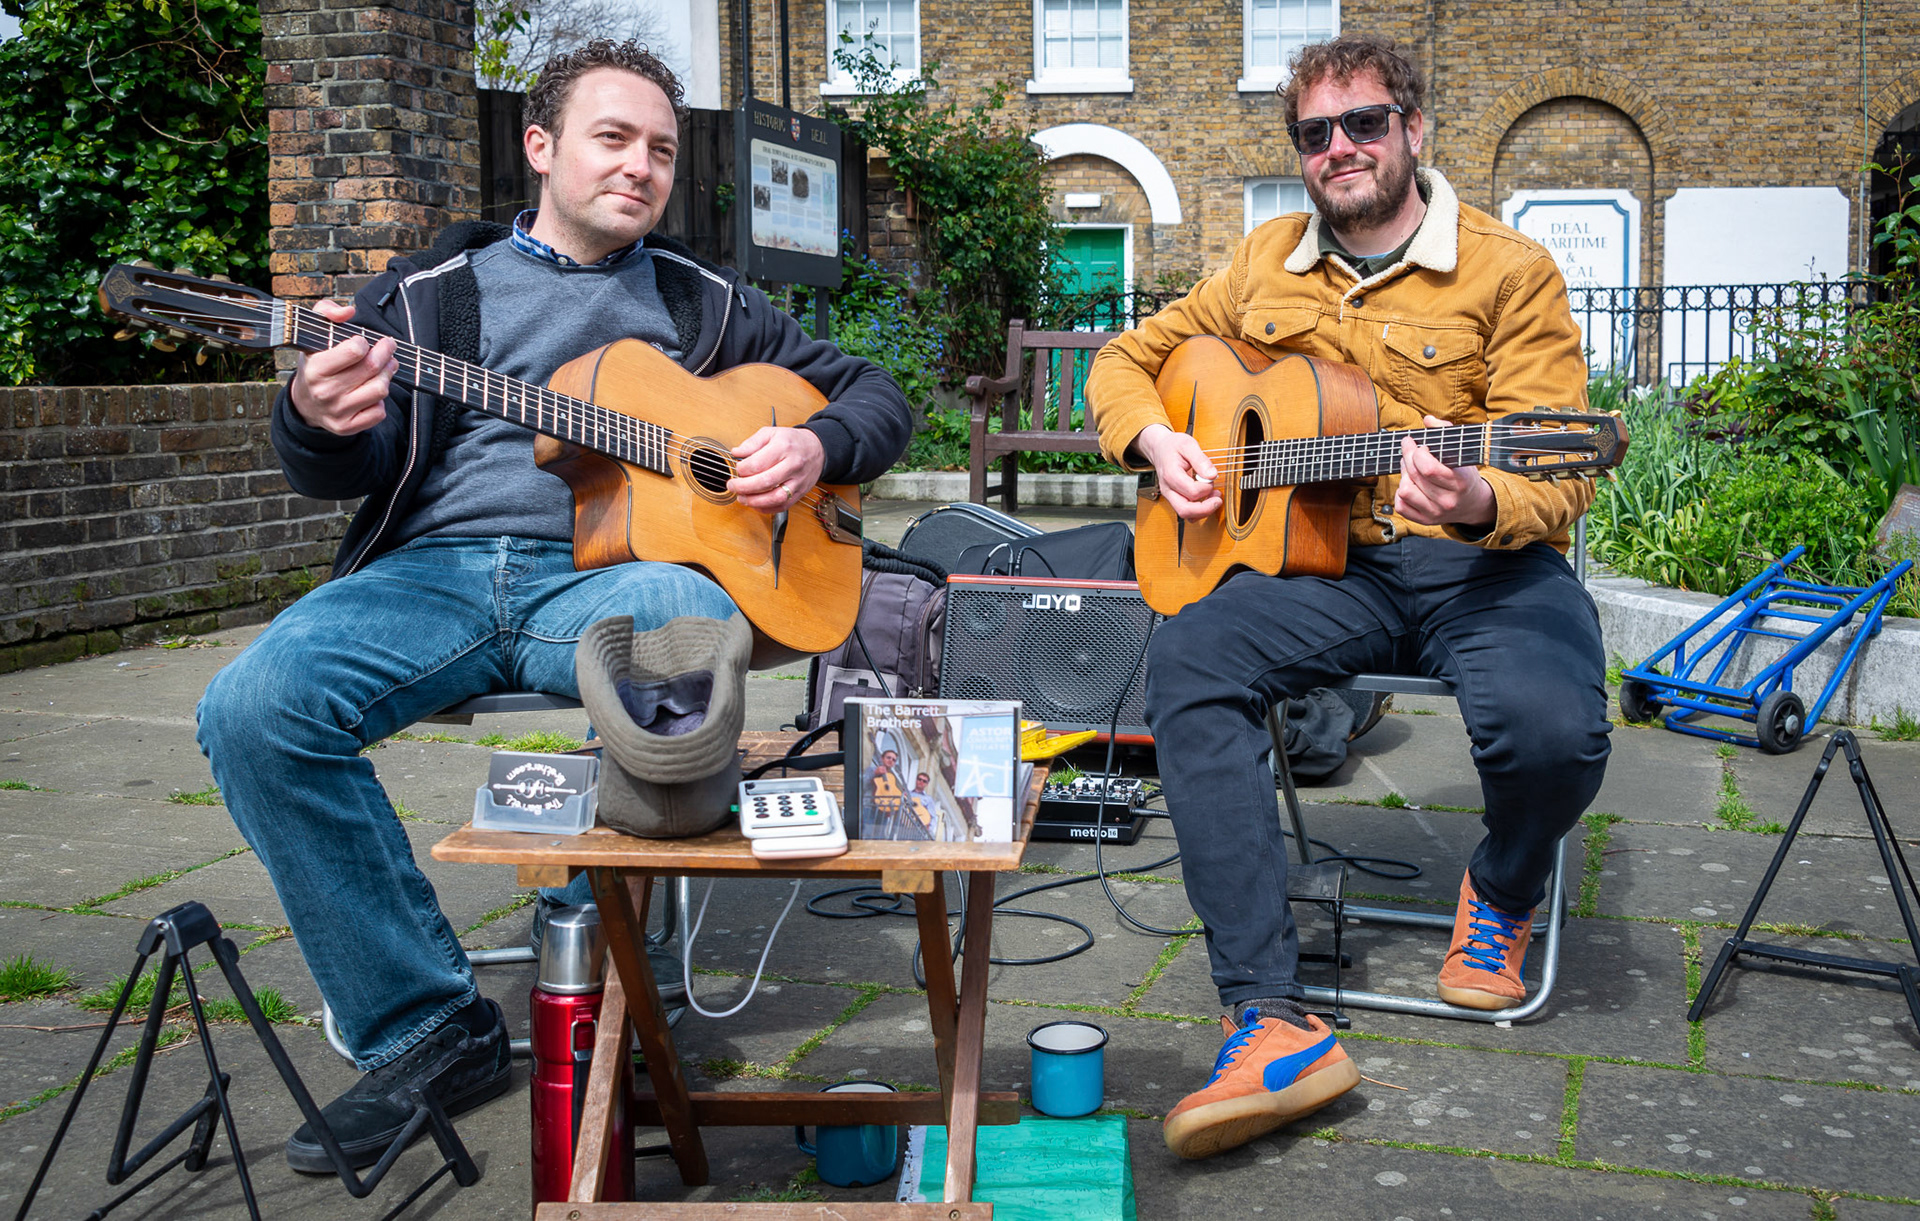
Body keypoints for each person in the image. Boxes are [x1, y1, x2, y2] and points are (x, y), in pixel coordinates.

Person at [194, 40, 911, 1173]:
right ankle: (427, 1025)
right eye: (614, 138)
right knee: (252, 708)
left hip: (608, 581)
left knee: (681, 630)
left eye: (662, 150)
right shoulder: (428, 297)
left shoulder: (701, 302)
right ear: (542, 148)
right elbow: (350, 456)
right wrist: (313, 417)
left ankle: (600, 994)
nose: (641, 167)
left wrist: (814, 445)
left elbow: (875, 394)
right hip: (431, 576)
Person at [1085, 35, 1611, 1160]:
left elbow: (1556, 473)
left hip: (1483, 563)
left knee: (1554, 732)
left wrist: (1475, 495)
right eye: (1315, 133)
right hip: (1334, 565)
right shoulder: (1264, 260)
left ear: (1414, 130)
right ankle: (1268, 1017)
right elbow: (1127, 358)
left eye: (1364, 123)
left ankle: (1503, 890)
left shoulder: (1509, 272)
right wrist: (1156, 436)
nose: (1340, 148)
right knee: (1190, 662)